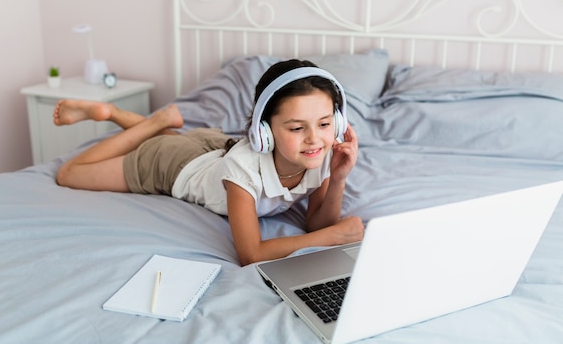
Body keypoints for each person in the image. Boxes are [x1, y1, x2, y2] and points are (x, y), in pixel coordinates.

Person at [54, 59, 364, 265]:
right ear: (264, 132)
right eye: (297, 128)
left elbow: (315, 222)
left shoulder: (320, 154)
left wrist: (337, 179)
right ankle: (129, 118)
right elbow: (251, 254)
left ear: (336, 123)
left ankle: (161, 123)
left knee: (176, 140)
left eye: (324, 124)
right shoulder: (243, 169)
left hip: (215, 146)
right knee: (70, 174)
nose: (314, 138)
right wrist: (333, 237)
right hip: (175, 165)